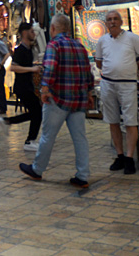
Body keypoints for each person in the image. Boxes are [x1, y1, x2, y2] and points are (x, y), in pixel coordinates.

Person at [19, 14, 94, 189]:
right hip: (78, 100)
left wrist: (44, 89)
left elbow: (50, 68)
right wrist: (89, 92)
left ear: (53, 29)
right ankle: (82, 175)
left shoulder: (54, 45)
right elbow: (87, 72)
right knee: (80, 138)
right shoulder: (79, 46)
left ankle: (37, 170)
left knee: (47, 136)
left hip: (58, 99)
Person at [95, 10, 139, 175]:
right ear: (106, 23)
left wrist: (131, 68)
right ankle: (119, 155)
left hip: (127, 85)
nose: (112, 22)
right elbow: (99, 63)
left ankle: (129, 157)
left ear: (121, 22)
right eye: (109, 19)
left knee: (130, 121)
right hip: (108, 84)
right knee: (112, 120)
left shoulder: (132, 38)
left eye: (115, 19)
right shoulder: (102, 41)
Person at [0, 22, 43, 151]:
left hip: (27, 86)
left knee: (36, 113)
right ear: (25, 33)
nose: (34, 34)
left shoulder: (28, 49)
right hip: (22, 87)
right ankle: (29, 141)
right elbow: (13, 67)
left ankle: (8, 122)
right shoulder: (20, 50)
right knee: (37, 112)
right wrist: (32, 69)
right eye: (32, 31)